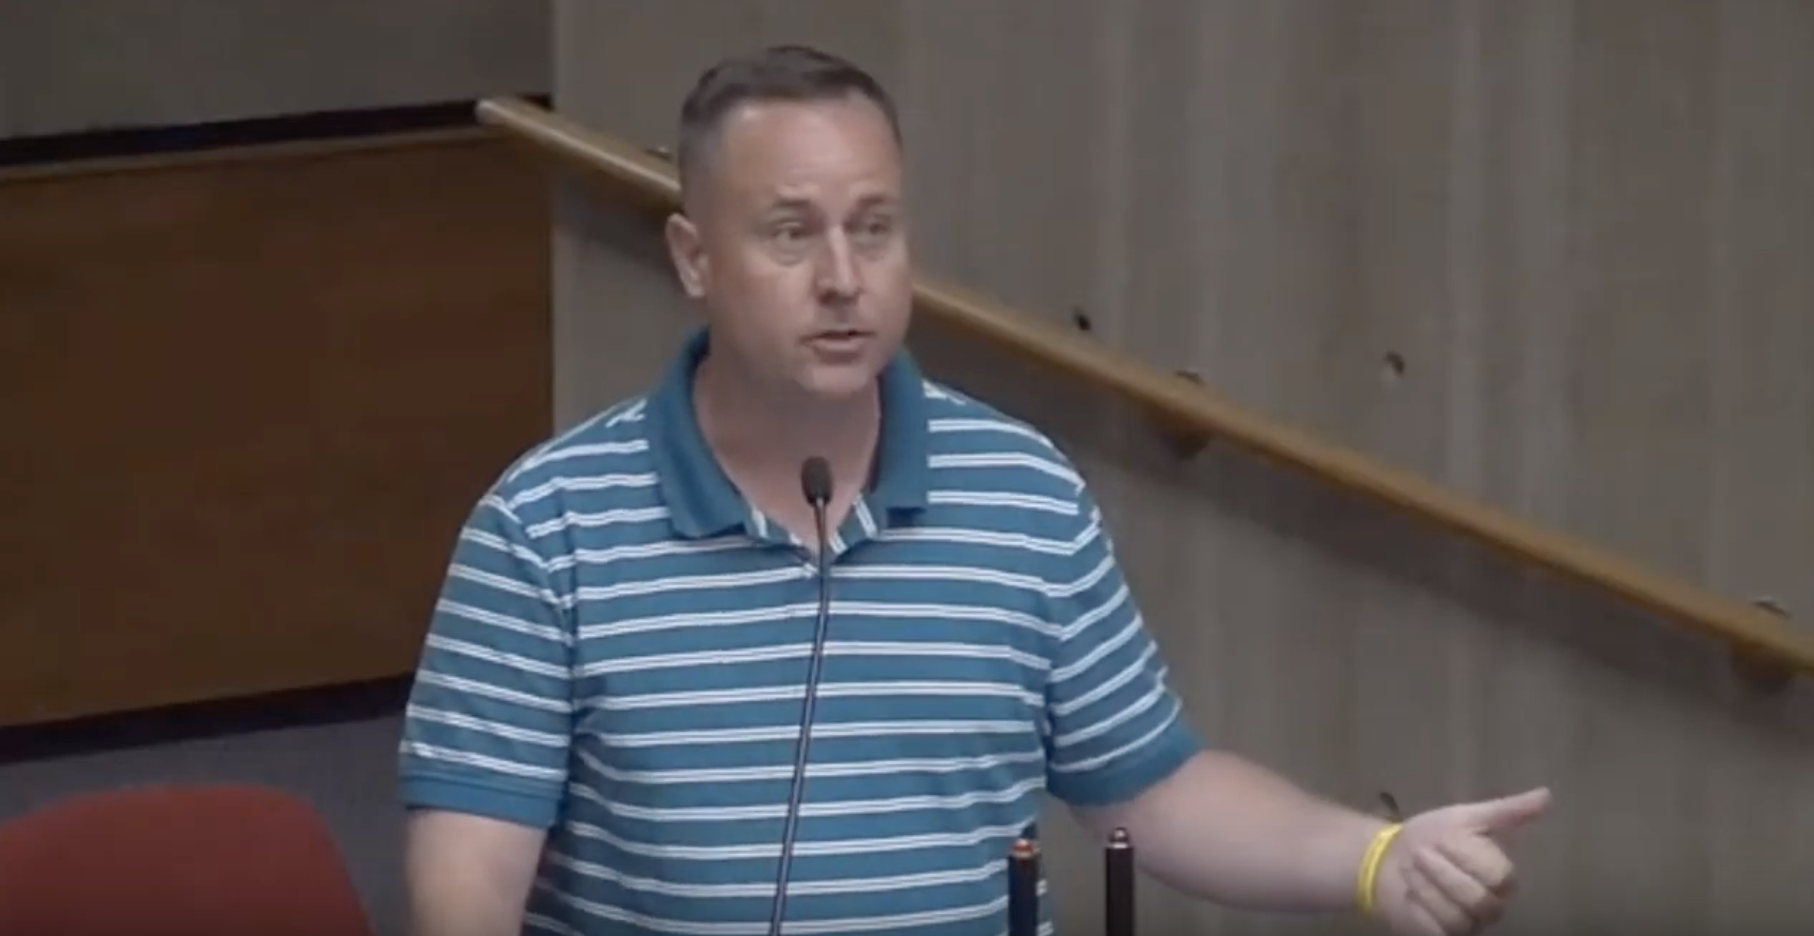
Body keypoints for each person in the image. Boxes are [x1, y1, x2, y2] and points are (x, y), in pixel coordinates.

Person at [396, 43, 1551, 936]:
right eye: (790, 234)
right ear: (694, 259)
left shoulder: (1021, 493)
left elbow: (1150, 791)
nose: (841, 278)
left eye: (874, 229)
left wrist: (1374, 859)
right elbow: (468, 882)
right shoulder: (547, 527)